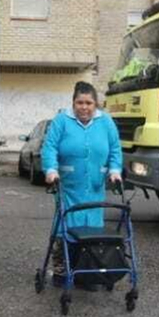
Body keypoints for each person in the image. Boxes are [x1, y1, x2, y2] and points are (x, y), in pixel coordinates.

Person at [41, 81, 123, 289]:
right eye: (80, 102)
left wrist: (115, 171)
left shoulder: (106, 122)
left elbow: (115, 149)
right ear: (73, 103)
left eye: (88, 103)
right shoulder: (62, 121)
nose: (84, 107)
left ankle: (88, 272)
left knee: (92, 231)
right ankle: (61, 271)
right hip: (68, 187)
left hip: (95, 188)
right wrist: (51, 170)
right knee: (65, 228)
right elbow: (49, 147)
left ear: (96, 104)